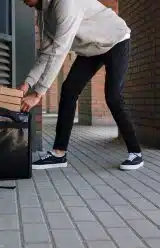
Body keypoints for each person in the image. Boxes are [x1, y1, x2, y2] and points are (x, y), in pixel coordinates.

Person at [18, 0, 144, 171]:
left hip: (115, 40)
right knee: (69, 89)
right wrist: (28, 82)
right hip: (92, 48)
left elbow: (60, 51)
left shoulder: (65, 4)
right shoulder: (44, 14)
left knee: (113, 97)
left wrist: (38, 93)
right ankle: (59, 153)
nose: (23, 1)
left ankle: (136, 153)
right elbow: (47, 52)